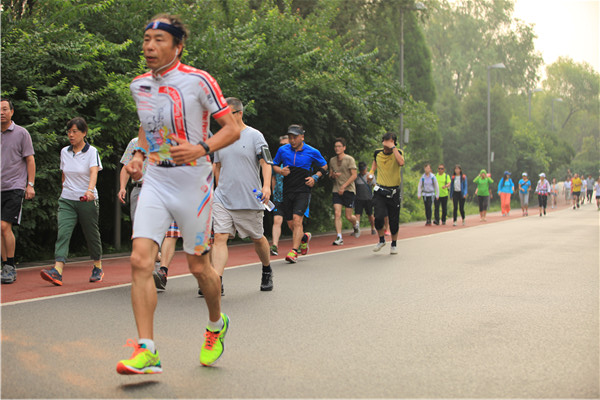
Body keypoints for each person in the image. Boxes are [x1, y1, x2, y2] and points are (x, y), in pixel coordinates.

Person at [116, 14, 241, 375]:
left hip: (194, 184)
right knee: (140, 260)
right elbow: (145, 124)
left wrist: (201, 148)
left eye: (158, 40)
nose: (150, 47)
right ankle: (147, 349)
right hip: (156, 178)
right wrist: (139, 156)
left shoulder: (198, 80)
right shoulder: (139, 85)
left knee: (198, 265)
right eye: (146, 40)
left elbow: (231, 129)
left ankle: (216, 325)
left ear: (177, 46)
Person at [211, 97, 273, 292]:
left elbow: (266, 162)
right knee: (219, 237)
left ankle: (266, 269)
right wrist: (219, 187)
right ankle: (216, 280)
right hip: (223, 197)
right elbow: (217, 165)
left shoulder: (255, 136)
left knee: (258, 238)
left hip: (249, 198)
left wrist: (266, 187)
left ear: (239, 114)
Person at [40, 117, 103, 286]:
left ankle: (97, 266)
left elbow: (93, 173)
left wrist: (89, 191)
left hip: (87, 200)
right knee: (63, 233)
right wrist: (63, 191)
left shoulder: (92, 152)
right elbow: (64, 174)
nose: (71, 135)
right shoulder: (64, 152)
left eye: (75, 131)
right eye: (69, 132)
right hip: (67, 199)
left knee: (91, 235)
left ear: (84, 133)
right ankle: (57, 270)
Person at [272, 124, 328, 263]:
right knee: (291, 224)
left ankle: (293, 251)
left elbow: (324, 165)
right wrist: (280, 171)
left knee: (297, 219)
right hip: (287, 189)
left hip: (303, 189)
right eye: (290, 137)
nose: (292, 140)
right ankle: (304, 238)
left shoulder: (312, 151)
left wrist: (315, 177)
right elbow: (273, 164)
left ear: (302, 137)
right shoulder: (282, 150)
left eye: (295, 137)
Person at [1, 98, 36, 284]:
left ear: (12, 112)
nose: (1, 112)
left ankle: (10, 266)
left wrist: (30, 184)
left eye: (5, 109)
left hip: (15, 186)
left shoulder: (22, 133)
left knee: (4, 226)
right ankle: (5, 264)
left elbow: (30, 160)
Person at [370, 132, 404, 254]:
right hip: (380, 191)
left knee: (394, 219)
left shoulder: (398, 152)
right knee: (378, 216)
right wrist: (371, 173)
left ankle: (394, 244)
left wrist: (393, 147)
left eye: (389, 142)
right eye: (385, 142)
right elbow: (374, 165)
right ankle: (381, 239)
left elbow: (401, 163)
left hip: (393, 191)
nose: (386, 145)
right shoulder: (377, 153)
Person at [329, 137, 360, 245]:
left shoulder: (349, 159)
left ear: (344, 148)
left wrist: (344, 186)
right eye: (335, 146)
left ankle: (355, 223)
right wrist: (333, 175)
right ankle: (339, 237)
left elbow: (354, 175)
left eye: (339, 146)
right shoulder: (332, 160)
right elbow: (330, 175)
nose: (337, 148)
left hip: (349, 190)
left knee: (348, 216)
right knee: (337, 213)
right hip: (336, 190)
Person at [270, 135, 289, 256]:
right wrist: (272, 192)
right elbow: (273, 177)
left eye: (285, 145)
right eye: (281, 145)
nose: (283, 147)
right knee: (277, 220)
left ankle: (302, 239)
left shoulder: (295, 160)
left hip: (292, 196)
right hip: (278, 197)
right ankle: (275, 246)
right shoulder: (275, 161)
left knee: (294, 224)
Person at [354, 161, 376, 235]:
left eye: (363, 169)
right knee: (357, 214)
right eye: (361, 169)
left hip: (368, 198)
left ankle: (373, 228)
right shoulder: (356, 177)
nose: (362, 171)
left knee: (370, 214)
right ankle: (356, 229)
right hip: (358, 198)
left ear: (366, 168)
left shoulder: (370, 176)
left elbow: (374, 186)